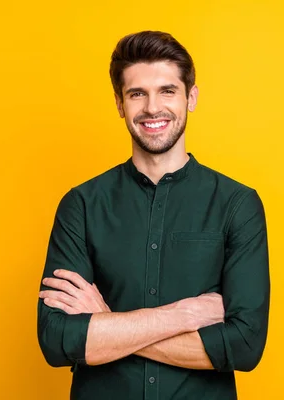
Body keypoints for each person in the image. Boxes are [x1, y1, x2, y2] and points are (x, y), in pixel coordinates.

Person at [37, 30, 270, 400]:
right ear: (119, 103)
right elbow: (56, 340)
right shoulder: (80, 205)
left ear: (190, 98)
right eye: (136, 94)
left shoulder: (237, 204)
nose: (151, 108)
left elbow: (243, 345)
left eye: (167, 91)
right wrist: (186, 316)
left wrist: (107, 325)